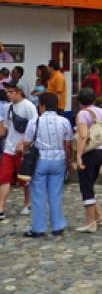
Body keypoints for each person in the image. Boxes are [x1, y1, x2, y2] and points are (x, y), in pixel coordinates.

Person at [22, 92, 72, 238]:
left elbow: (26, 143)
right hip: (58, 161)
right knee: (55, 194)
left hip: (40, 161)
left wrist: (25, 154)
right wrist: (68, 163)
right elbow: (68, 145)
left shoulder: (34, 122)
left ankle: (38, 228)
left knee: (38, 195)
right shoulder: (64, 122)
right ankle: (57, 226)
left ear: (42, 106)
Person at [75, 87, 102, 233]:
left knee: (86, 186)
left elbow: (83, 136)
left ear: (79, 101)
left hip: (88, 154)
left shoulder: (82, 114)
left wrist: (78, 156)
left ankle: (90, 222)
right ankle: (98, 216)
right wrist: (101, 143)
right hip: (100, 153)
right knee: (90, 184)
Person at [0, 81, 37, 221]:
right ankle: (1, 208)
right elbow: (6, 128)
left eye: (11, 92)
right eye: (7, 92)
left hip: (24, 151)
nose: (8, 94)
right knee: (4, 178)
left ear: (19, 91)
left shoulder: (29, 106)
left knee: (24, 180)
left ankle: (27, 204)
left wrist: (24, 143)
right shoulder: (8, 107)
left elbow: (35, 128)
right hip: (9, 149)